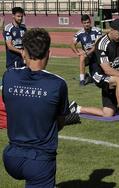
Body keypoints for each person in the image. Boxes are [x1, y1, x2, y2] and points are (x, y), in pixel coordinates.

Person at [2, 28, 71, 188]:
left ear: (24, 52)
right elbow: (60, 123)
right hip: (39, 160)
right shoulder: (57, 84)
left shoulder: (9, 76)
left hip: (11, 157)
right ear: (49, 53)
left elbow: (10, 106)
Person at [70, 18, 119, 127]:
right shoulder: (102, 44)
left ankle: (76, 108)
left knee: (108, 113)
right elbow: (106, 69)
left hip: (113, 74)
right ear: (112, 30)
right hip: (99, 75)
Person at [71, 14, 102, 86]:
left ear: (90, 22)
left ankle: (89, 76)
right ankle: (82, 80)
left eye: (88, 22)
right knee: (82, 57)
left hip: (97, 56)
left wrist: (87, 53)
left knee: (97, 80)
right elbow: (72, 44)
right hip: (87, 57)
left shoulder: (97, 31)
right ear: (82, 23)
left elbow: (96, 46)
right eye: (85, 23)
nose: (86, 24)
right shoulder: (79, 33)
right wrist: (77, 53)